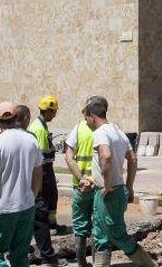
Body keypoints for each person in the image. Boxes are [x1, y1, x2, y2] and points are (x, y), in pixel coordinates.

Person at [0, 102, 47, 267]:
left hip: (1, 209)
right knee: (19, 255)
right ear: (15, 118)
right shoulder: (31, 141)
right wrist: (31, 197)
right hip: (25, 207)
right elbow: (38, 174)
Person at [85, 96, 154, 267]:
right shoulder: (117, 131)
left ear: (92, 115)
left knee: (116, 234)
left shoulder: (100, 133)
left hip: (108, 192)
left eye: (86, 117)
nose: (86, 121)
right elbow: (133, 159)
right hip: (118, 189)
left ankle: (147, 264)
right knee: (101, 234)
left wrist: (107, 185)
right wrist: (129, 187)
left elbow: (106, 156)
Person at [27, 95, 67, 264]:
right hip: (43, 169)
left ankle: (52, 224)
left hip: (45, 167)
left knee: (52, 197)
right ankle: (47, 229)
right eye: (54, 112)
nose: (55, 115)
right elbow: (42, 154)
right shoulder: (39, 129)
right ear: (48, 110)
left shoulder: (41, 126)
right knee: (45, 200)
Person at [64, 98, 96, 267]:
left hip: (82, 186)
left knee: (80, 225)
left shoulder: (78, 129)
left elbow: (69, 156)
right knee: (99, 224)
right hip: (99, 186)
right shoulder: (108, 128)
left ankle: (82, 262)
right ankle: (99, 262)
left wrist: (81, 178)